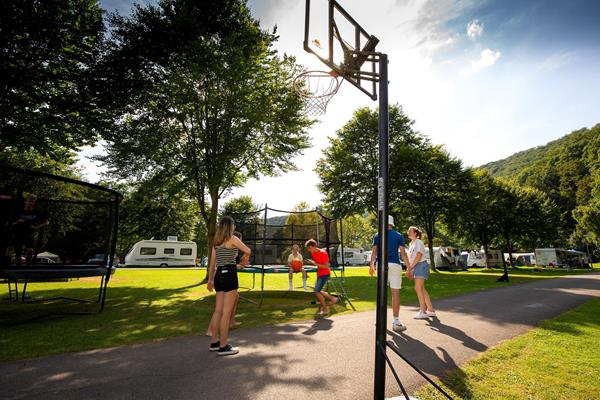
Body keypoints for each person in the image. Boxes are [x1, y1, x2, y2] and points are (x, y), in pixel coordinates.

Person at [207, 217, 251, 356]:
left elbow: (212, 264)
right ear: (230, 226)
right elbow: (248, 250)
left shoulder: (216, 241)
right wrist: (244, 260)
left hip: (219, 275)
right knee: (227, 313)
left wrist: (210, 280)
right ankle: (223, 346)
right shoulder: (232, 239)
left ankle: (214, 342)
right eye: (233, 225)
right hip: (229, 274)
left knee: (218, 311)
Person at [369, 215, 410, 332]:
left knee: (381, 293)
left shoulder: (377, 235)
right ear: (392, 223)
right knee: (395, 293)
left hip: (381, 265)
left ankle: (380, 320)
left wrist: (371, 265)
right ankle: (396, 322)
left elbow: (374, 251)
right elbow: (403, 253)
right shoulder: (398, 235)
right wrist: (409, 267)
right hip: (395, 265)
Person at [406, 226, 436, 319]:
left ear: (415, 233)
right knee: (421, 288)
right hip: (416, 266)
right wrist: (409, 269)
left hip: (421, 265)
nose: (408, 232)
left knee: (418, 287)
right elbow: (411, 257)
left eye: (410, 231)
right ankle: (430, 310)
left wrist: (410, 267)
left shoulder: (418, 242)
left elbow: (419, 256)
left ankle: (422, 311)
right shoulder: (411, 244)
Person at [305, 238, 338, 316]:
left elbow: (327, 265)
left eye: (309, 248)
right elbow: (318, 263)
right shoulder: (313, 253)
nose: (309, 250)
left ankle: (325, 309)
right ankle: (333, 298)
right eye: (308, 249)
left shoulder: (323, 253)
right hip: (320, 274)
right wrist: (313, 263)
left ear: (314, 246)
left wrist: (315, 264)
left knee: (316, 291)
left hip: (325, 274)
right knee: (318, 291)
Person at [12, 195, 48, 266]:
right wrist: (18, 221)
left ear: (34, 203)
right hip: (18, 233)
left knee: (30, 250)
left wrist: (36, 226)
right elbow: (11, 222)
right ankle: (17, 269)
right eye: (29, 201)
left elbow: (46, 222)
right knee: (18, 254)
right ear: (25, 202)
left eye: (32, 201)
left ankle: (27, 266)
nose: (30, 203)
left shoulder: (36, 212)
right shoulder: (19, 211)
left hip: (29, 234)